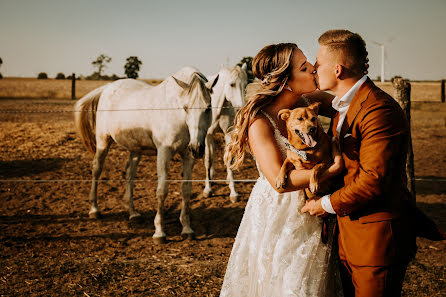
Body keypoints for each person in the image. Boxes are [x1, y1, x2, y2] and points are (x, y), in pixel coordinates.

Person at [220, 43, 344, 297]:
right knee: (287, 284)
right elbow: (280, 181)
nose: (313, 68)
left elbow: (352, 107)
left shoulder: (311, 102)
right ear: (286, 81)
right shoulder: (259, 122)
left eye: (309, 63)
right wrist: (331, 170)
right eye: (304, 67)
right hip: (280, 213)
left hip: (314, 201)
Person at [300, 29, 417, 297]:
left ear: (338, 70)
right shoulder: (344, 104)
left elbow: (374, 180)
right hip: (350, 237)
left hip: (375, 240)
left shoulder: (378, 110)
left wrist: (323, 205)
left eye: (318, 64)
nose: (314, 70)